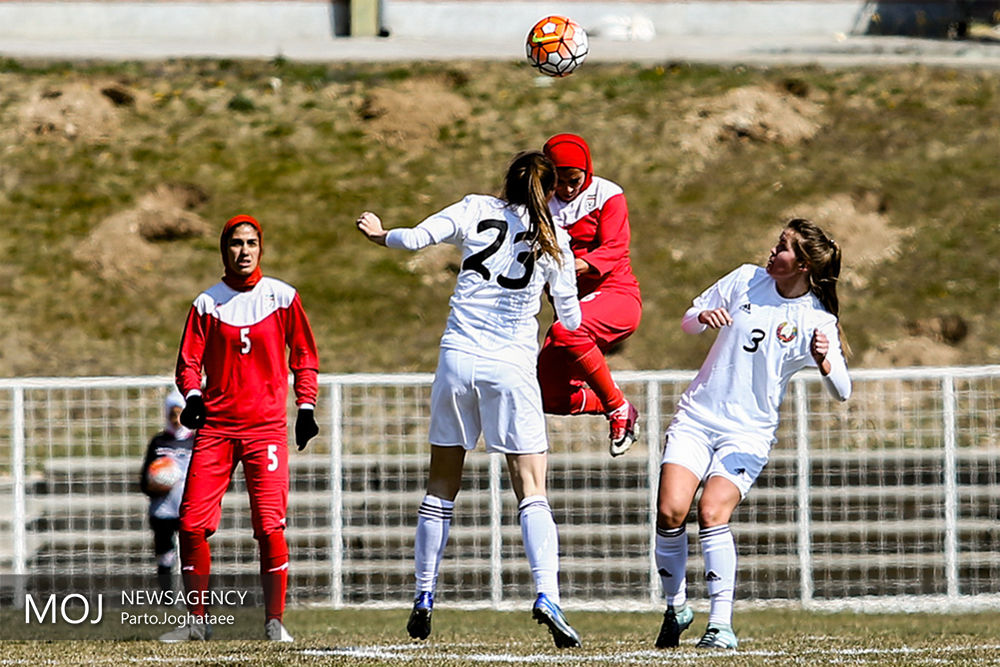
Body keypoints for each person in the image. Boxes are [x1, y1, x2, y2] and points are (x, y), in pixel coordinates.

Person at [355, 151, 585, 649]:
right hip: (510, 367)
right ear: (548, 193)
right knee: (531, 487)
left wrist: (379, 233)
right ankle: (548, 594)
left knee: (441, 483)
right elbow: (570, 322)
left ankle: (423, 596)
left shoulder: (474, 208)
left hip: (457, 360)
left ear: (507, 181)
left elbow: (414, 238)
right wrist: (565, 279)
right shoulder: (555, 242)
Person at [653, 218, 851, 650]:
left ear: (801, 266)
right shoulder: (745, 279)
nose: (772, 251)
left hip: (747, 434)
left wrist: (824, 361)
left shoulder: (817, 318)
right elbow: (687, 320)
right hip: (697, 418)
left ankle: (720, 626)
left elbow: (843, 391)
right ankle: (677, 606)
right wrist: (702, 317)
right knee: (670, 512)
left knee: (711, 513)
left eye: (783, 247)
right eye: (777, 241)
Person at [161, 214, 320, 643]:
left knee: (269, 526)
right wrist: (193, 398)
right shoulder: (206, 304)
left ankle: (274, 622)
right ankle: (197, 621)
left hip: (265, 431)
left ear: (261, 247)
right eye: (236, 243)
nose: (244, 250)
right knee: (191, 523)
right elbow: (188, 364)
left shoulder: (283, 298)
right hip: (216, 430)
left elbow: (304, 355)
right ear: (224, 250)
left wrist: (306, 407)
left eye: (251, 242)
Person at [536, 133, 643, 457]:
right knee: (547, 395)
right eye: (559, 182)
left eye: (574, 181)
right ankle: (619, 405)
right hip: (570, 307)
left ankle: (617, 411)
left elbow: (614, 249)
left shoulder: (607, 195)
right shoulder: (537, 202)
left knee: (568, 328)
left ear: (588, 172)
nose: (567, 190)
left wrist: (567, 267)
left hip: (615, 295)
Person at [139, 389, 195, 595]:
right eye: (172, 413)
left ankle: (196, 598)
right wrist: (153, 484)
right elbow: (143, 480)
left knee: (192, 557)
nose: (176, 419)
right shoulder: (158, 442)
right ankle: (167, 598)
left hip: (188, 508)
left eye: (180, 413)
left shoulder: (195, 441)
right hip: (162, 510)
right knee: (165, 556)